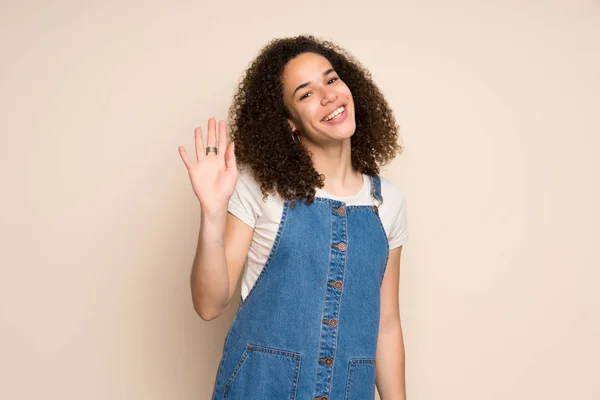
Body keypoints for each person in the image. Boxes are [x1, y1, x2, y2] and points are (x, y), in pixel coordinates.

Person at [178, 35, 409, 400]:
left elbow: (386, 325)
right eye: (305, 94)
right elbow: (208, 305)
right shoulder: (260, 188)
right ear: (289, 123)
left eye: (331, 79)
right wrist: (211, 213)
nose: (329, 95)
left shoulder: (387, 202)